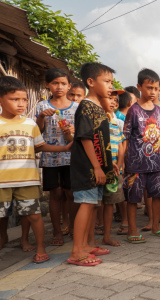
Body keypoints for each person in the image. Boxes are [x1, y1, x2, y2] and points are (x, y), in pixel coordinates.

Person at [0, 76, 72, 262]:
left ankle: (40, 247)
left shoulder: (30, 124)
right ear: (1, 99)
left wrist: (64, 148)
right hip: (2, 182)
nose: (21, 104)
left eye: (24, 100)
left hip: (28, 180)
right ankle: (3, 238)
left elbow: (40, 146)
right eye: (15, 99)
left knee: (34, 215)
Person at [68, 62, 115, 266]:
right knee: (86, 206)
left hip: (96, 167)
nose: (111, 86)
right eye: (106, 81)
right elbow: (86, 138)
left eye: (111, 82)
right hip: (87, 167)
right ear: (91, 82)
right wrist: (96, 167)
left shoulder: (97, 106)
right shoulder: (86, 106)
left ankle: (86, 245)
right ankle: (76, 252)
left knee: (91, 205)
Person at [123, 68, 160, 243]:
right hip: (135, 164)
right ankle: (132, 230)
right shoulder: (133, 111)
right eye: (149, 87)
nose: (153, 92)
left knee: (158, 195)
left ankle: (156, 226)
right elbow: (126, 138)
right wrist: (123, 161)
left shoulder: (159, 111)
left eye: (156, 88)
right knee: (133, 197)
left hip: (155, 162)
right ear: (139, 87)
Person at [35, 68, 77, 246]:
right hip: (50, 157)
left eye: (63, 83)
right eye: (55, 83)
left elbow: (80, 134)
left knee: (71, 193)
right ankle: (57, 232)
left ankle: (75, 228)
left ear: (69, 86)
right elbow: (38, 132)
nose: (59, 87)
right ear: (47, 85)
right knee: (56, 193)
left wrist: (71, 132)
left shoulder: (76, 107)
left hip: (72, 157)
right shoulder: (42, 106)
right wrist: (41, 118)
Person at [101, 95, 126, 246]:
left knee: (110, 203)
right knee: (96, 204)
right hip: (101, 167)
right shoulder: (97, 119)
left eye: (115, 100)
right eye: (109, 98)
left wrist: (120, 163)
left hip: (116, 170)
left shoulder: (114, 121)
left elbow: (122, 144)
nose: (113, 102)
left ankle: (107, 236)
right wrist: (108, 162)